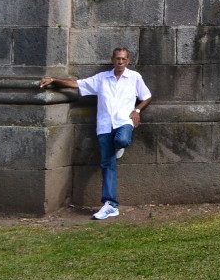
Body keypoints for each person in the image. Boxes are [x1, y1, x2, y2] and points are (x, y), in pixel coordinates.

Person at [39, 47, 152, 220]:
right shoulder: (101, 79)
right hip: (105, 126)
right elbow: (77, 84)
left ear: (128, 61)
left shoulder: (134, 77)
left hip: (124, 122)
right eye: (117, 59)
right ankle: (111, 205)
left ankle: (118, 147)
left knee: (122, 140)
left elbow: (147, 96)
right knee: (107, 165)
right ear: (112, 60)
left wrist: (137, 110)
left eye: (123, 59)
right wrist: (54, 80)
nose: (120, 62)